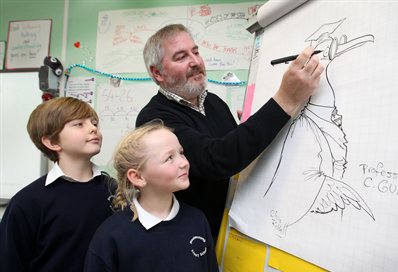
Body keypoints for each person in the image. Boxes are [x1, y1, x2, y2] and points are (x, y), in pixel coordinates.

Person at [135, 24, 324, 239]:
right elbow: (219, 159)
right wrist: (287, 98)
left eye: (195, 52)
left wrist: (249, 129)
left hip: (235, 231)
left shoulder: (214, 103)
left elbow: (238, 159)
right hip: (189, 243)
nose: (195, 62)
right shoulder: (153, 120)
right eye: (181, 57)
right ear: (157, 73)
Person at [0, 97, 116, 272]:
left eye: (94, 123)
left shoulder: (114, 189)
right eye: (79, 124)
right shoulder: (27, 202)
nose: (93, 128)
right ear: (52, 142)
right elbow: (10, 263)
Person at [84, 121, 218, 272]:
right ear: (137, 177)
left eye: (181, 153)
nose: (184, 163)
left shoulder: (197, 220)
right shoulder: (111, 236)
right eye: (169, 158)